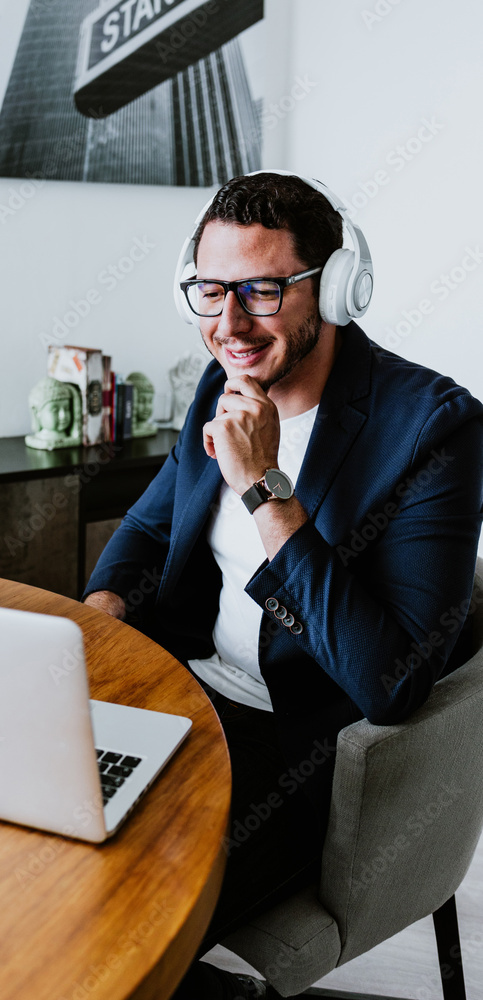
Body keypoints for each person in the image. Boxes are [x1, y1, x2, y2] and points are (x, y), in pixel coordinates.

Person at [82, 172, 483, 998]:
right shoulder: (221, 383)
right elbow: (151, 528)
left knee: (111, 920)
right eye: (208, 290)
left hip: (297, 750)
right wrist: (102, 612)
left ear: (334, 287)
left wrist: (266, 486)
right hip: (181, 699)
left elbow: (390, 681)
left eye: (260, 290)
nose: (228, 324)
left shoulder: (434, 428)